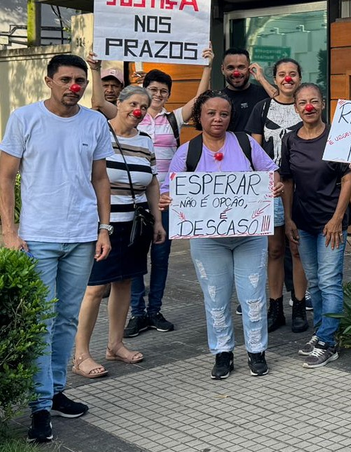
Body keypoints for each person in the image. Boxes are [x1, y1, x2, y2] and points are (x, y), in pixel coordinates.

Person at [0, 54, 113, 443]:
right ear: (48, 81)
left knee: (66, 318)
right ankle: (39, 406)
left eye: (80, 80)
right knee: (42, 320)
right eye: (66, 79)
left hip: (82, 236)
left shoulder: (94, 122)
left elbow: (100, 178)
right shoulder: (24, 118)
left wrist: (103, 229)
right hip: (38, 237)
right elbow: (5, 176)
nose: (74, 87)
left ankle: (56, 390)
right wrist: (9, 231)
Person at [88, 50, 213, 338]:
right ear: (144, 91)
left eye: (163, 91)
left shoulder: (173, 119)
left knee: (161, 255)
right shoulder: (131, 115)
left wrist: (207, 66)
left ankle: (155, 309)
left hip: (165, 199)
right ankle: (137, 312)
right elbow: (99, 103)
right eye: (153, 89)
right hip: (132, 200)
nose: (158, 94)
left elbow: (199, 101)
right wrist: (94, 69)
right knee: (134, 259)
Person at [160, 91, 282, 380]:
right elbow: (168, 189)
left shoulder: (246, 143)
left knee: (253, 296)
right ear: (199, 116)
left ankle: (256, 350)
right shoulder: (186, 152)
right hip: (208, 241)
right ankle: (222, 352)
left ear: (230, 117)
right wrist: (167, 199)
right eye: (211, 113)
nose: (218, 119)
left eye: (224, 114)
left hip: (249, 235)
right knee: (215, 297)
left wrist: (275, 185)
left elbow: (271, 171)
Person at [72, 86, 166, 379]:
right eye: (133, 103)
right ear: (120, 103)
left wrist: (158, 221)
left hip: (135, 225)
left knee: (125, 282)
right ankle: (80, 354)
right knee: (95, 287)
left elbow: (152, 182)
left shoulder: (145, 140)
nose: (137, 110)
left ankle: (115, 345)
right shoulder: (99, 133)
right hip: (103, 225)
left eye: (144, 106)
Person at [282, 83, 351, 368]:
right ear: (296, 108)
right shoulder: (290, 139)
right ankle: (321, 332)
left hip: (331, 222)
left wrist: (337, 219)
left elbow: (348, 178)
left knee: (329, 281)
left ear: (323, 104)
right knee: (314, 282)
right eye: (303, 102)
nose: (308, 107)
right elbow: (287, 181)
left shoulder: (337, 136)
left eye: (314, 101)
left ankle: (328, 341)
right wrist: (288, 219)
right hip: (303, 221)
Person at [246, 58, 312, 333]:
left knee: (297, 249)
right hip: (270, 189)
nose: (288, 78)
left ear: (299, 78)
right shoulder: (262, 108)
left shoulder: (307, 107)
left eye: (293, 73)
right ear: (275, 79)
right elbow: (253, 150)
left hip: (301, 188)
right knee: (274, 249)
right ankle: (275, 307)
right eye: (282, 74)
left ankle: (299, 305)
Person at [218, 47, 274, 132]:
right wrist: (207, 68)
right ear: (223, 70)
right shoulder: (218, 98)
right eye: (231, 68)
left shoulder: (264, 93)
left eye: (241, 67)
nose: (236, 73)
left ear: (249, 68)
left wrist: (261, 79)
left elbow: (284, 102)